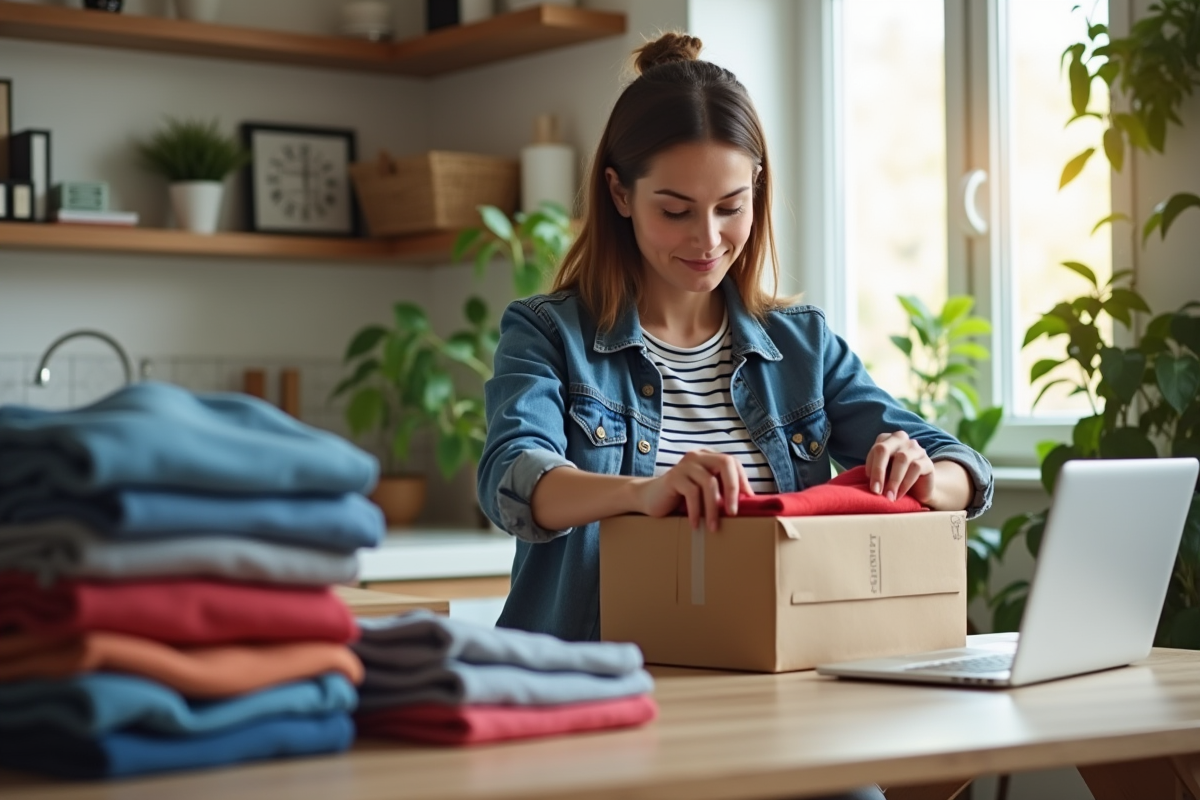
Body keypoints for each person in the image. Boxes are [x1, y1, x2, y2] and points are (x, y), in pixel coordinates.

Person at [478, 32, 994, 646]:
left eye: (731, 207)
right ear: (620, 193)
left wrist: (927, 476)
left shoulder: (801, 346)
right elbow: (513, 478)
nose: (707, 240)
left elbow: (964, 469)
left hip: (769, 683)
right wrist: (647, 493)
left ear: (758, 190)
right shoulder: (547, 333)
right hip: (593, 681)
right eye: (675, 211)